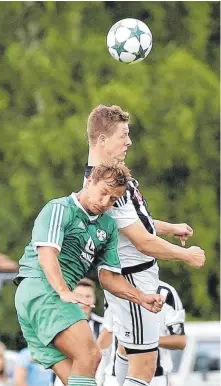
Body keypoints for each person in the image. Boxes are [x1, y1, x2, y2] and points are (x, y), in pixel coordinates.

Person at [85, 104, 206, 386]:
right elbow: (141, 240)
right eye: (123, 135)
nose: (129, 141)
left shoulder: (106, 175)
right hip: (134, 277)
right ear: (102, 140)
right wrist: (186, 255)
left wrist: (169, 227)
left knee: (130, 354)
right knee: (145, 366)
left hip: (131, 276)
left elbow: (136, 224)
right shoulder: (104, 184)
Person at [14, 163, 164, 386]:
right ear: (90, 181)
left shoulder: (108, 226)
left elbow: (109, 278)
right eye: (103, 192)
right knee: (91, 354)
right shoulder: (60, 208)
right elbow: (47, 256)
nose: (105, 202)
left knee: (79, 377)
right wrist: (63, 291)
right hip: (41, 289)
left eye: (113, 199)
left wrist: (141, 298)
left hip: (43, 298)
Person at [96, 280, 186, 386]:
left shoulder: (166, 292)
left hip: (154, 378)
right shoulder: (114, 289)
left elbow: (180, 341)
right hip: (115, 377)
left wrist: (143, 339)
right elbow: (108, 330)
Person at [54, 278, 104, 386]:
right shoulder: (59, 325)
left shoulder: (103, 326)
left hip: (99, 379)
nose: (83, 301)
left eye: (88, 296)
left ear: (94, 298)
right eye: (79, 296)